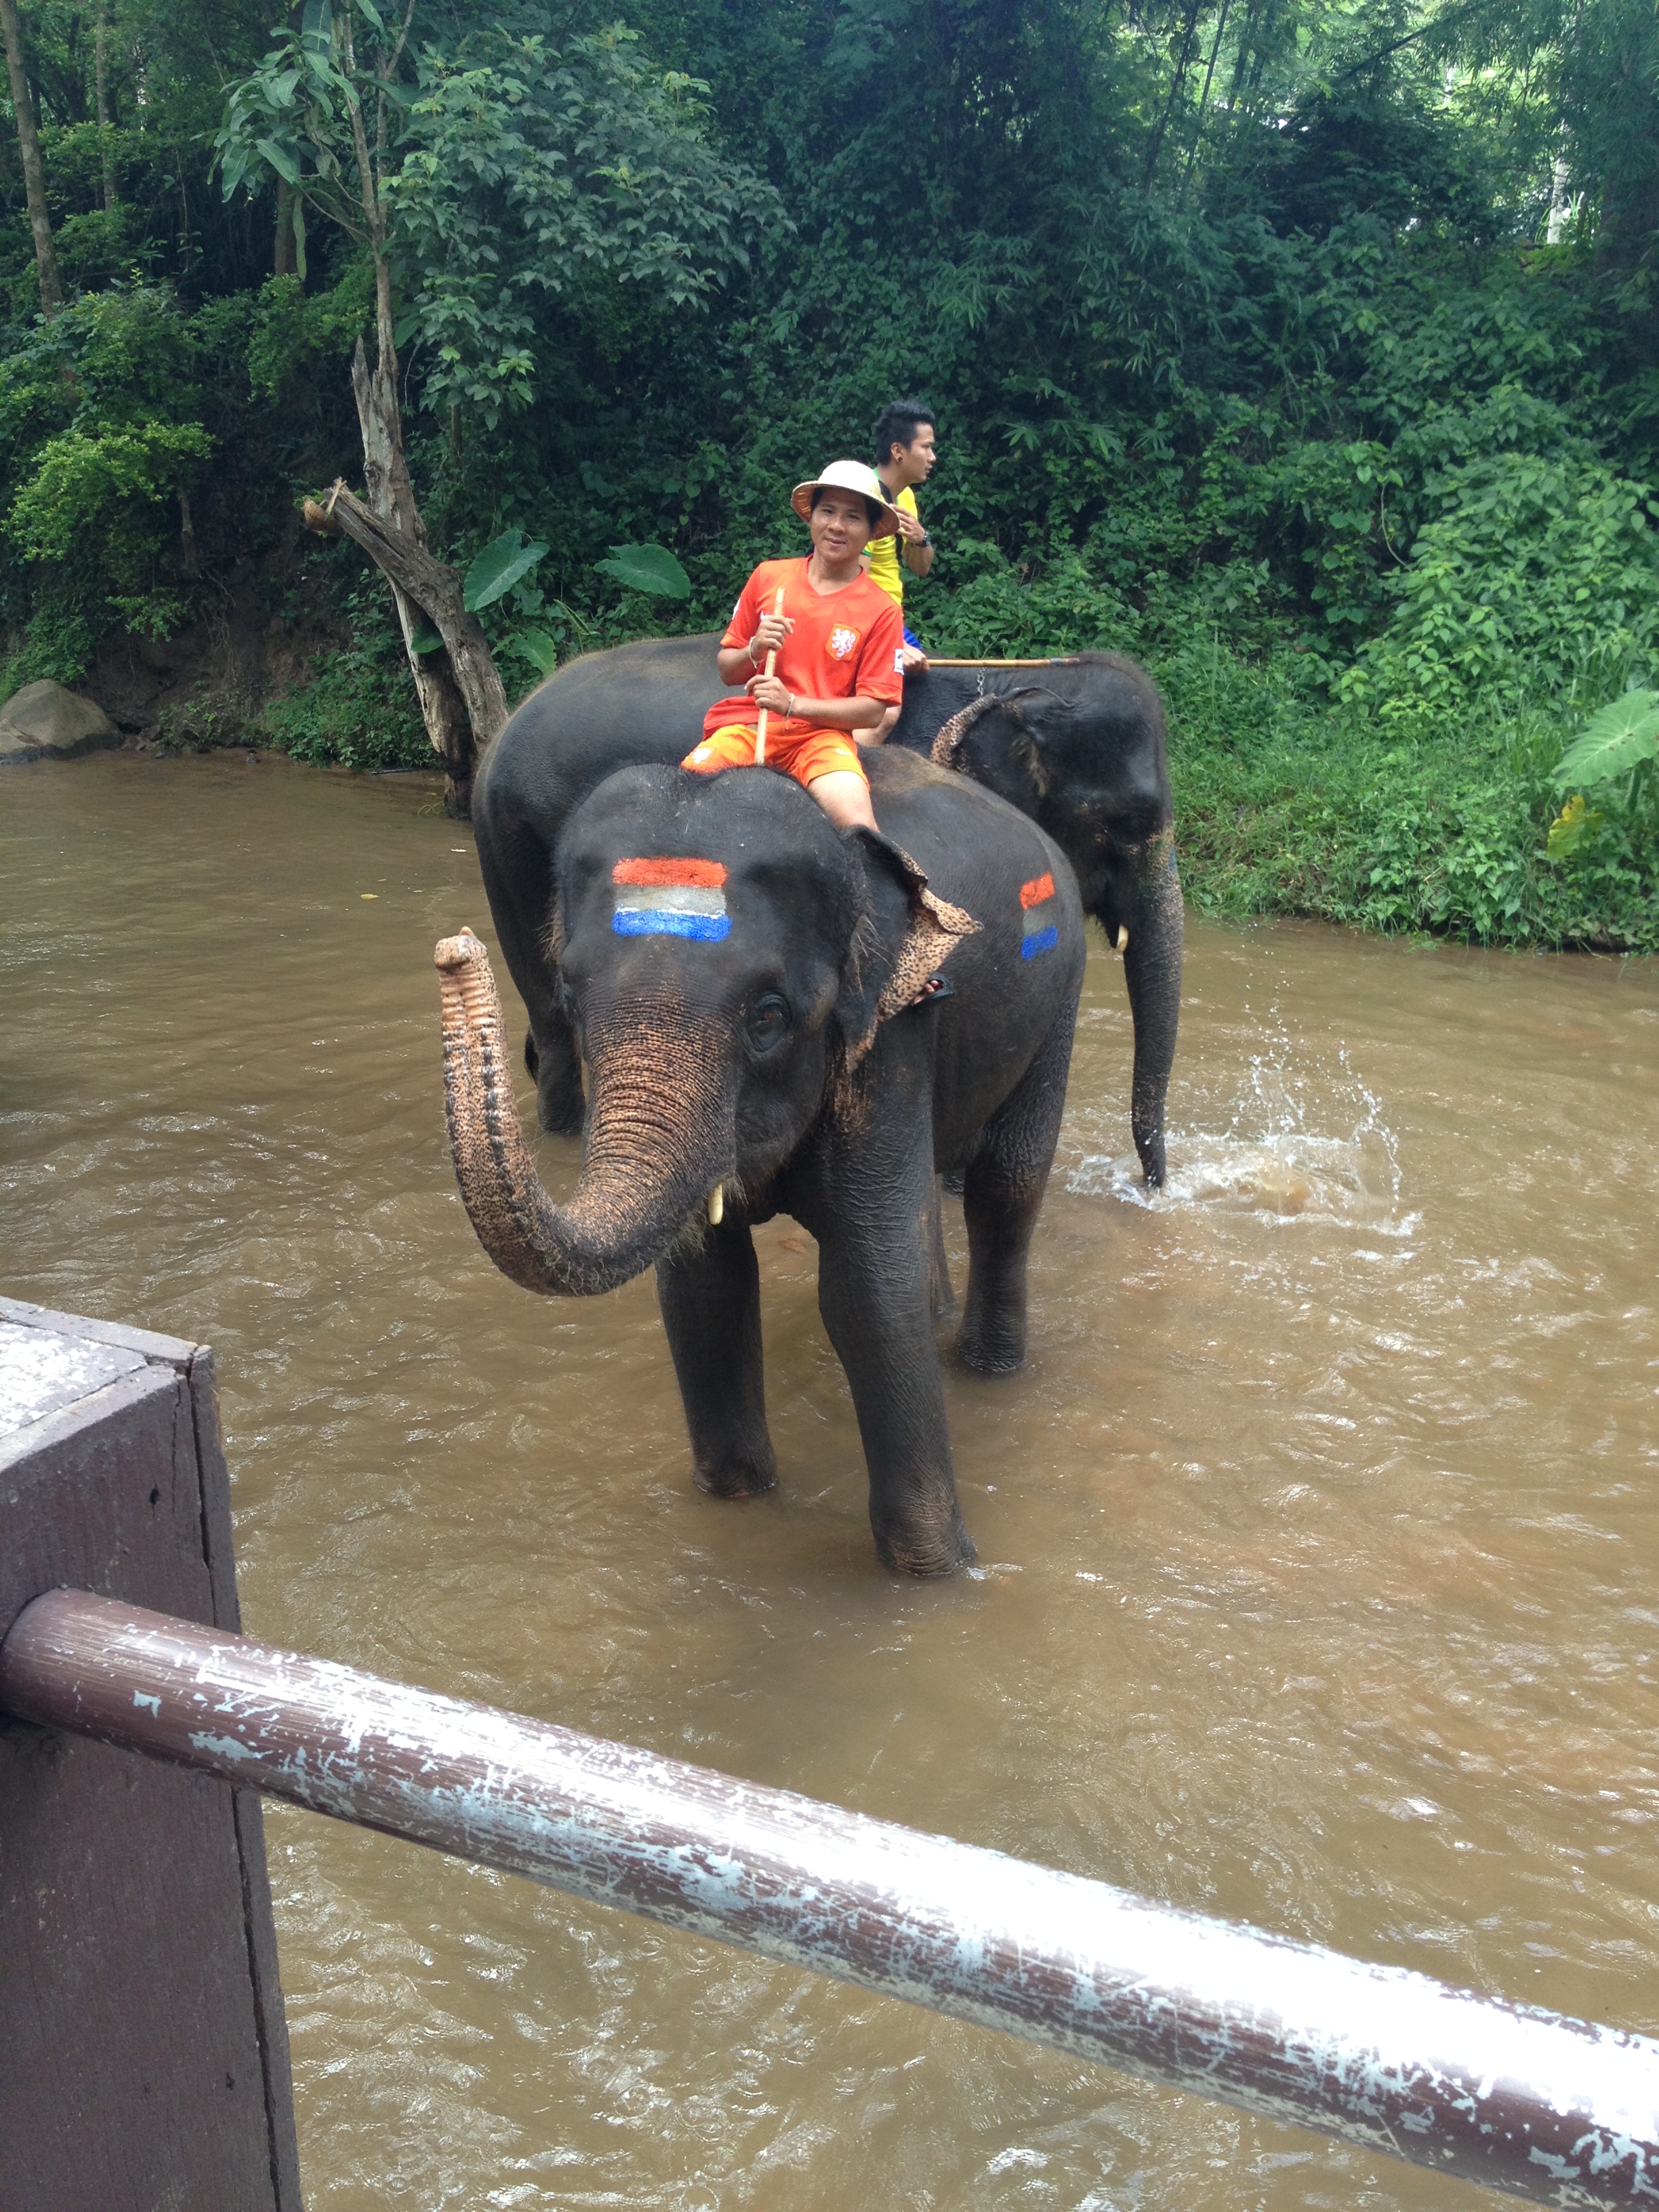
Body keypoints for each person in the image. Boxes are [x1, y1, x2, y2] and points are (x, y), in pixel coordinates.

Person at [683, 460, 905, 835]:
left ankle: (908, 893)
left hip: (821, 738)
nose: (837, 526)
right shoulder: (769, 577)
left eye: (853, 517)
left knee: (859, 828)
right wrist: (754, 649)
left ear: (869, 533)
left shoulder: (882, 610)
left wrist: (792, 705)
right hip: (750, 726)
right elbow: (726, 671)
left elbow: (872, 711)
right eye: (828, 511)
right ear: (811, 517)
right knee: (681, 796)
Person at [864, 400, 937, 738]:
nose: (932, 457)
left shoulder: (905, 496)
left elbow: (920, 569)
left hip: (888, 618)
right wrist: (893, 643)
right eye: (926, 447)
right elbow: (849, 586)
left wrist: (921, 539)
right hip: (862, 623)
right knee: (887, 713)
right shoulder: (866, 497)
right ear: (898, 451)